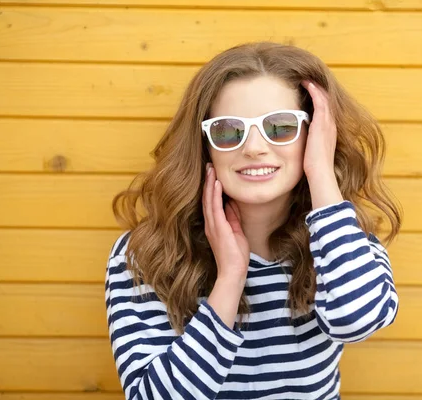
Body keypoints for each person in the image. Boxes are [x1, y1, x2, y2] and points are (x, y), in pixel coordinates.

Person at [105, 41, 402, 400]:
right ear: (205, 146)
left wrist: (321, 173)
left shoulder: (343, 243)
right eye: (229, 131)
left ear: (315, 137)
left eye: (280, 127)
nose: (254, 147)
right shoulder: (146, 254)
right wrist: (230, 279)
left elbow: (358, 320)